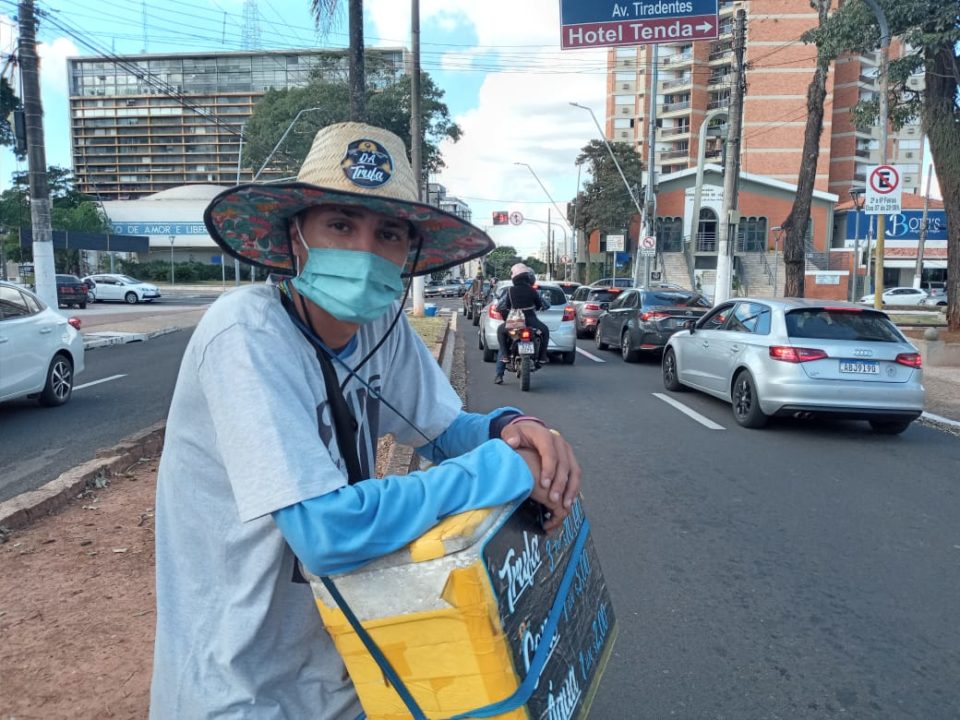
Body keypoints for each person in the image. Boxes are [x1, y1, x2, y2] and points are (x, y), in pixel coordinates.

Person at [148, 122, 582, 719]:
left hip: (345, 661)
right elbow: (325, 535)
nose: (364, 252)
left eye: (389, 233)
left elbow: (440, 427)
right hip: (242, 683)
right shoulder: (245, 337)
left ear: (408, 253)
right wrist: (501, 471)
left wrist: (508, 429)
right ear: (295, 234)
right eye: (341, 225)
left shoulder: (381, 326)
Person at [494, 263, 551, 384]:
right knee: (545, 331)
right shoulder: (533, 290)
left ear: (514, 277)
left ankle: (504, 359)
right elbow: (541, 305)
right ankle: (542, 357)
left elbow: (505, 306)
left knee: (501, 332)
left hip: (515, 321)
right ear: (528, 277)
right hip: (531, 320)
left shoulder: (510, 290)